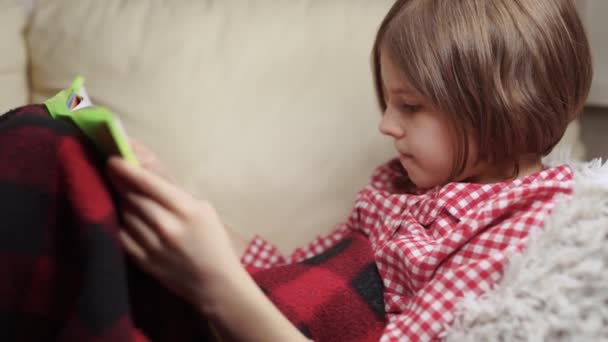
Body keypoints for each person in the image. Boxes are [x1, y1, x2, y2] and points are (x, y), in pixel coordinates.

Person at [105, 0, 592, 340]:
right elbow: (294, 272)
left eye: (410, 106)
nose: (386, 125)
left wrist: (215, 286)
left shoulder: (525, 221)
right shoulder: (398, 186)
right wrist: (178, 200)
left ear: (499, 108)